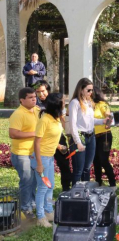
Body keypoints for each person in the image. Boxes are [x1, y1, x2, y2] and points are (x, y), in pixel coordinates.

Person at [31, 93, 64, 228]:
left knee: (50, 186)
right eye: (63, 102)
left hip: (49, 157)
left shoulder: (55, 118)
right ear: (57, 105)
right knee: (43, 188)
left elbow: (49, 137)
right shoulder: (45, 119)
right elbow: (37, 143)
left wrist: (59, 146)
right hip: (42, 158)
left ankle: (49, 211)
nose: (64, 103)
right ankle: (40, 217)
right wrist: (39, 164)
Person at [69, 78, 110, 185]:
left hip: (91, 136)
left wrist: (103, 121)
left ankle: (85, 193)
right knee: (79, 169)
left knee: (87, 167)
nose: (91, 92)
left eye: (92, 90)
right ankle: (75, 195)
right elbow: (73, 124)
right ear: (81, 89)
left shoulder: (89, 102)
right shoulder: (75, 103)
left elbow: (90, 121)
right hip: (80, 136)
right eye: (88, 90)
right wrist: (77, 142)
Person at [34, 80, 72, 191]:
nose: (41, 94)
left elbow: (63, 119)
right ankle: (41, 195)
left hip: (57, 137)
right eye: (38, 92)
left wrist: (70, 135)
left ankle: (66, 190)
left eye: (43, 91)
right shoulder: (35, 105)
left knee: (64, 165)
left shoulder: (56, 101)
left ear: (48, 90)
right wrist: (57, 146)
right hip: (44, 141)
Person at [8, 87, 39, 219]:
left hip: (34, 152)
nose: (34, 99)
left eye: (34, 97)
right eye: (30, 98)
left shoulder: (37, 110)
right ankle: (25, 208)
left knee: (34, 181)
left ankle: (31, 203)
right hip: (22, 154)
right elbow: (13, 134)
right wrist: (34, 133)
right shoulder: (18, 114)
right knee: (26, 181)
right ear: (22, 100)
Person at [92, 86, 116, 187]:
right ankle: (98, 182)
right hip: (93, 136)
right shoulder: (89, 105)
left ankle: (112, 183)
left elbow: (108, 115)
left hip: (104, 136)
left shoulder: (102, 104)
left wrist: (108, 121)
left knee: (103, 160)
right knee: (95, 160)